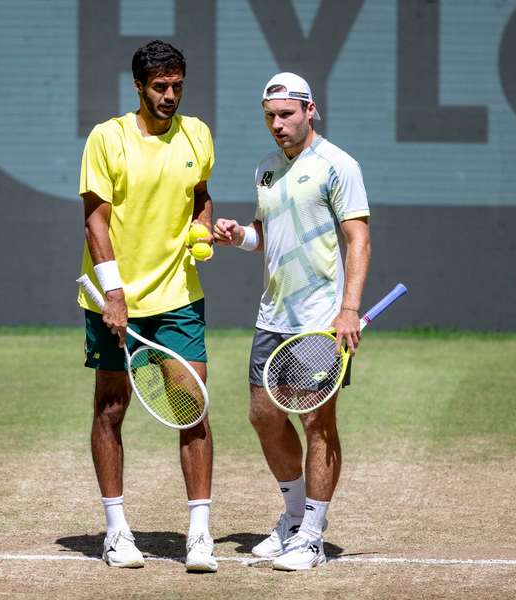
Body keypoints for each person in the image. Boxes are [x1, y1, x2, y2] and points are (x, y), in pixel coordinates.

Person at [213, 72, 371, 571]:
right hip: (272, 315)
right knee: (263, 416)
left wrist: (348, 310)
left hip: (321, 320)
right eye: (270, 117)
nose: (277, 125)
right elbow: (265, 235)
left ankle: (313, 536)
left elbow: (358, 240)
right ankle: (293, 516)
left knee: (317, 422)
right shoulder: (265, 169)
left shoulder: (338, 165)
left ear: (309, 110)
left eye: (286, 115)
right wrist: (238, 234)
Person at [77, 40, 217, 572]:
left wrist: (203, 226)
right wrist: (114, 294)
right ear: (139, 86)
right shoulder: (107, 138)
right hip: (116, 300)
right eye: (160, 87)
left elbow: (200, 193)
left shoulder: (198, 134)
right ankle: (116, 531)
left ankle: (199, 534)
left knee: (194, 410)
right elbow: (95, 219)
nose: (170, 96)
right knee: (111, 410)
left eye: (177, 86)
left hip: (179, 296)